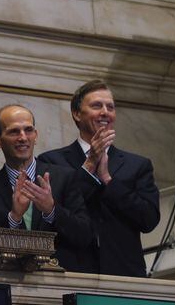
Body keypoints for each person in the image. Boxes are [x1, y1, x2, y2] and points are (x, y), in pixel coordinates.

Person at [38, 79, 160, 277]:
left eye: (110, 107)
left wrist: (108, 180)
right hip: (72, 273)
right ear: (77, 114)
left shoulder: (137, 165)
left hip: (124, 275)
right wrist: (89, 166)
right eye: (97, 106)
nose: (105, 112)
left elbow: (149, 219)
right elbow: (56, 212)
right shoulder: (52, 161)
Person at [0, 104, 92, 271]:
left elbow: (85, 235)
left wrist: (51, 211)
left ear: (36, 135)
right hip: (11, 282)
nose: (23, 137)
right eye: (14, 131)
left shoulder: (64, 178)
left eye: (28, 130)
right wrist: (15, 217)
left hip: (61, 281)